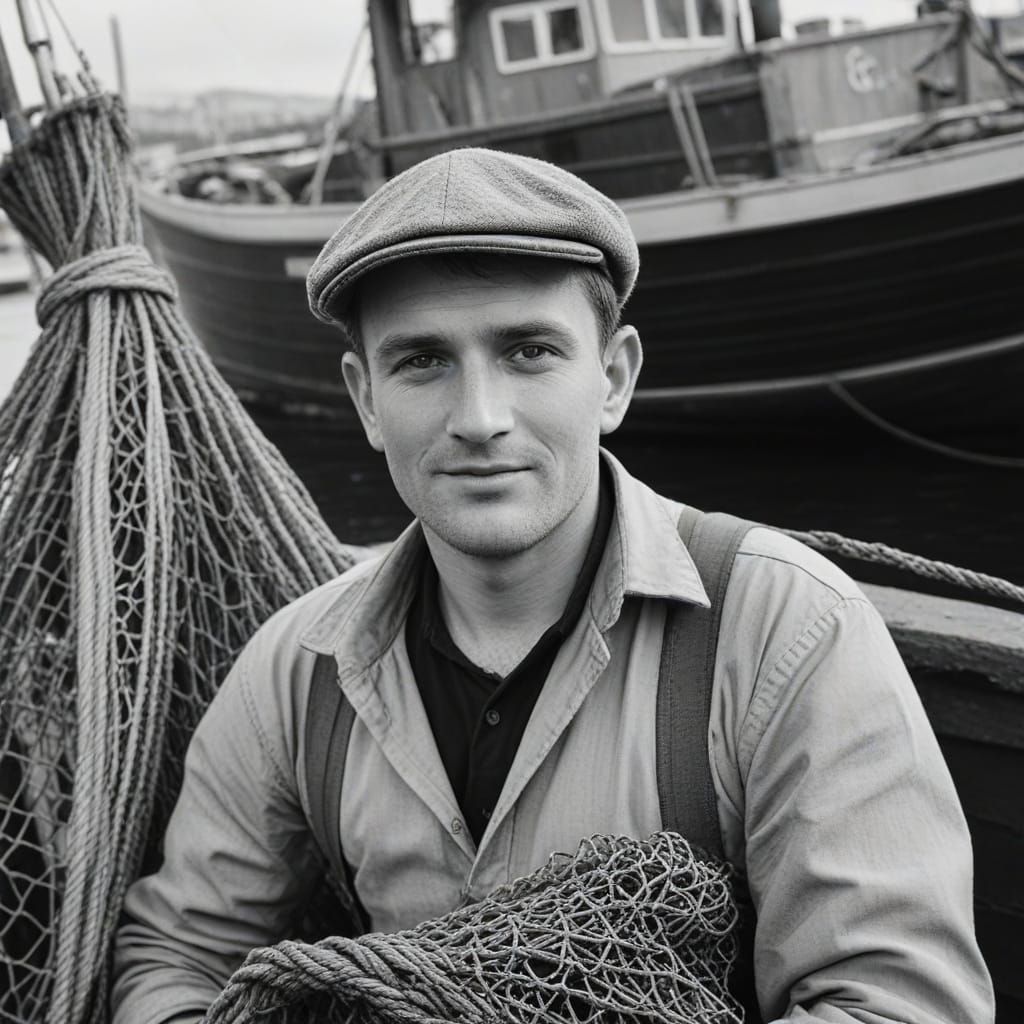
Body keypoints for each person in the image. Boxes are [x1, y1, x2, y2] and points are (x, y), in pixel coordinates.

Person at [112, 147, 993, 1024]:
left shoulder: (786, 630)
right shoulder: (297, 669)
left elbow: (899, 1001)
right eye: (422, 362)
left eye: (529, 351)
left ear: (613, 378)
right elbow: (175, 956)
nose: (480, 419)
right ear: (366, 400)